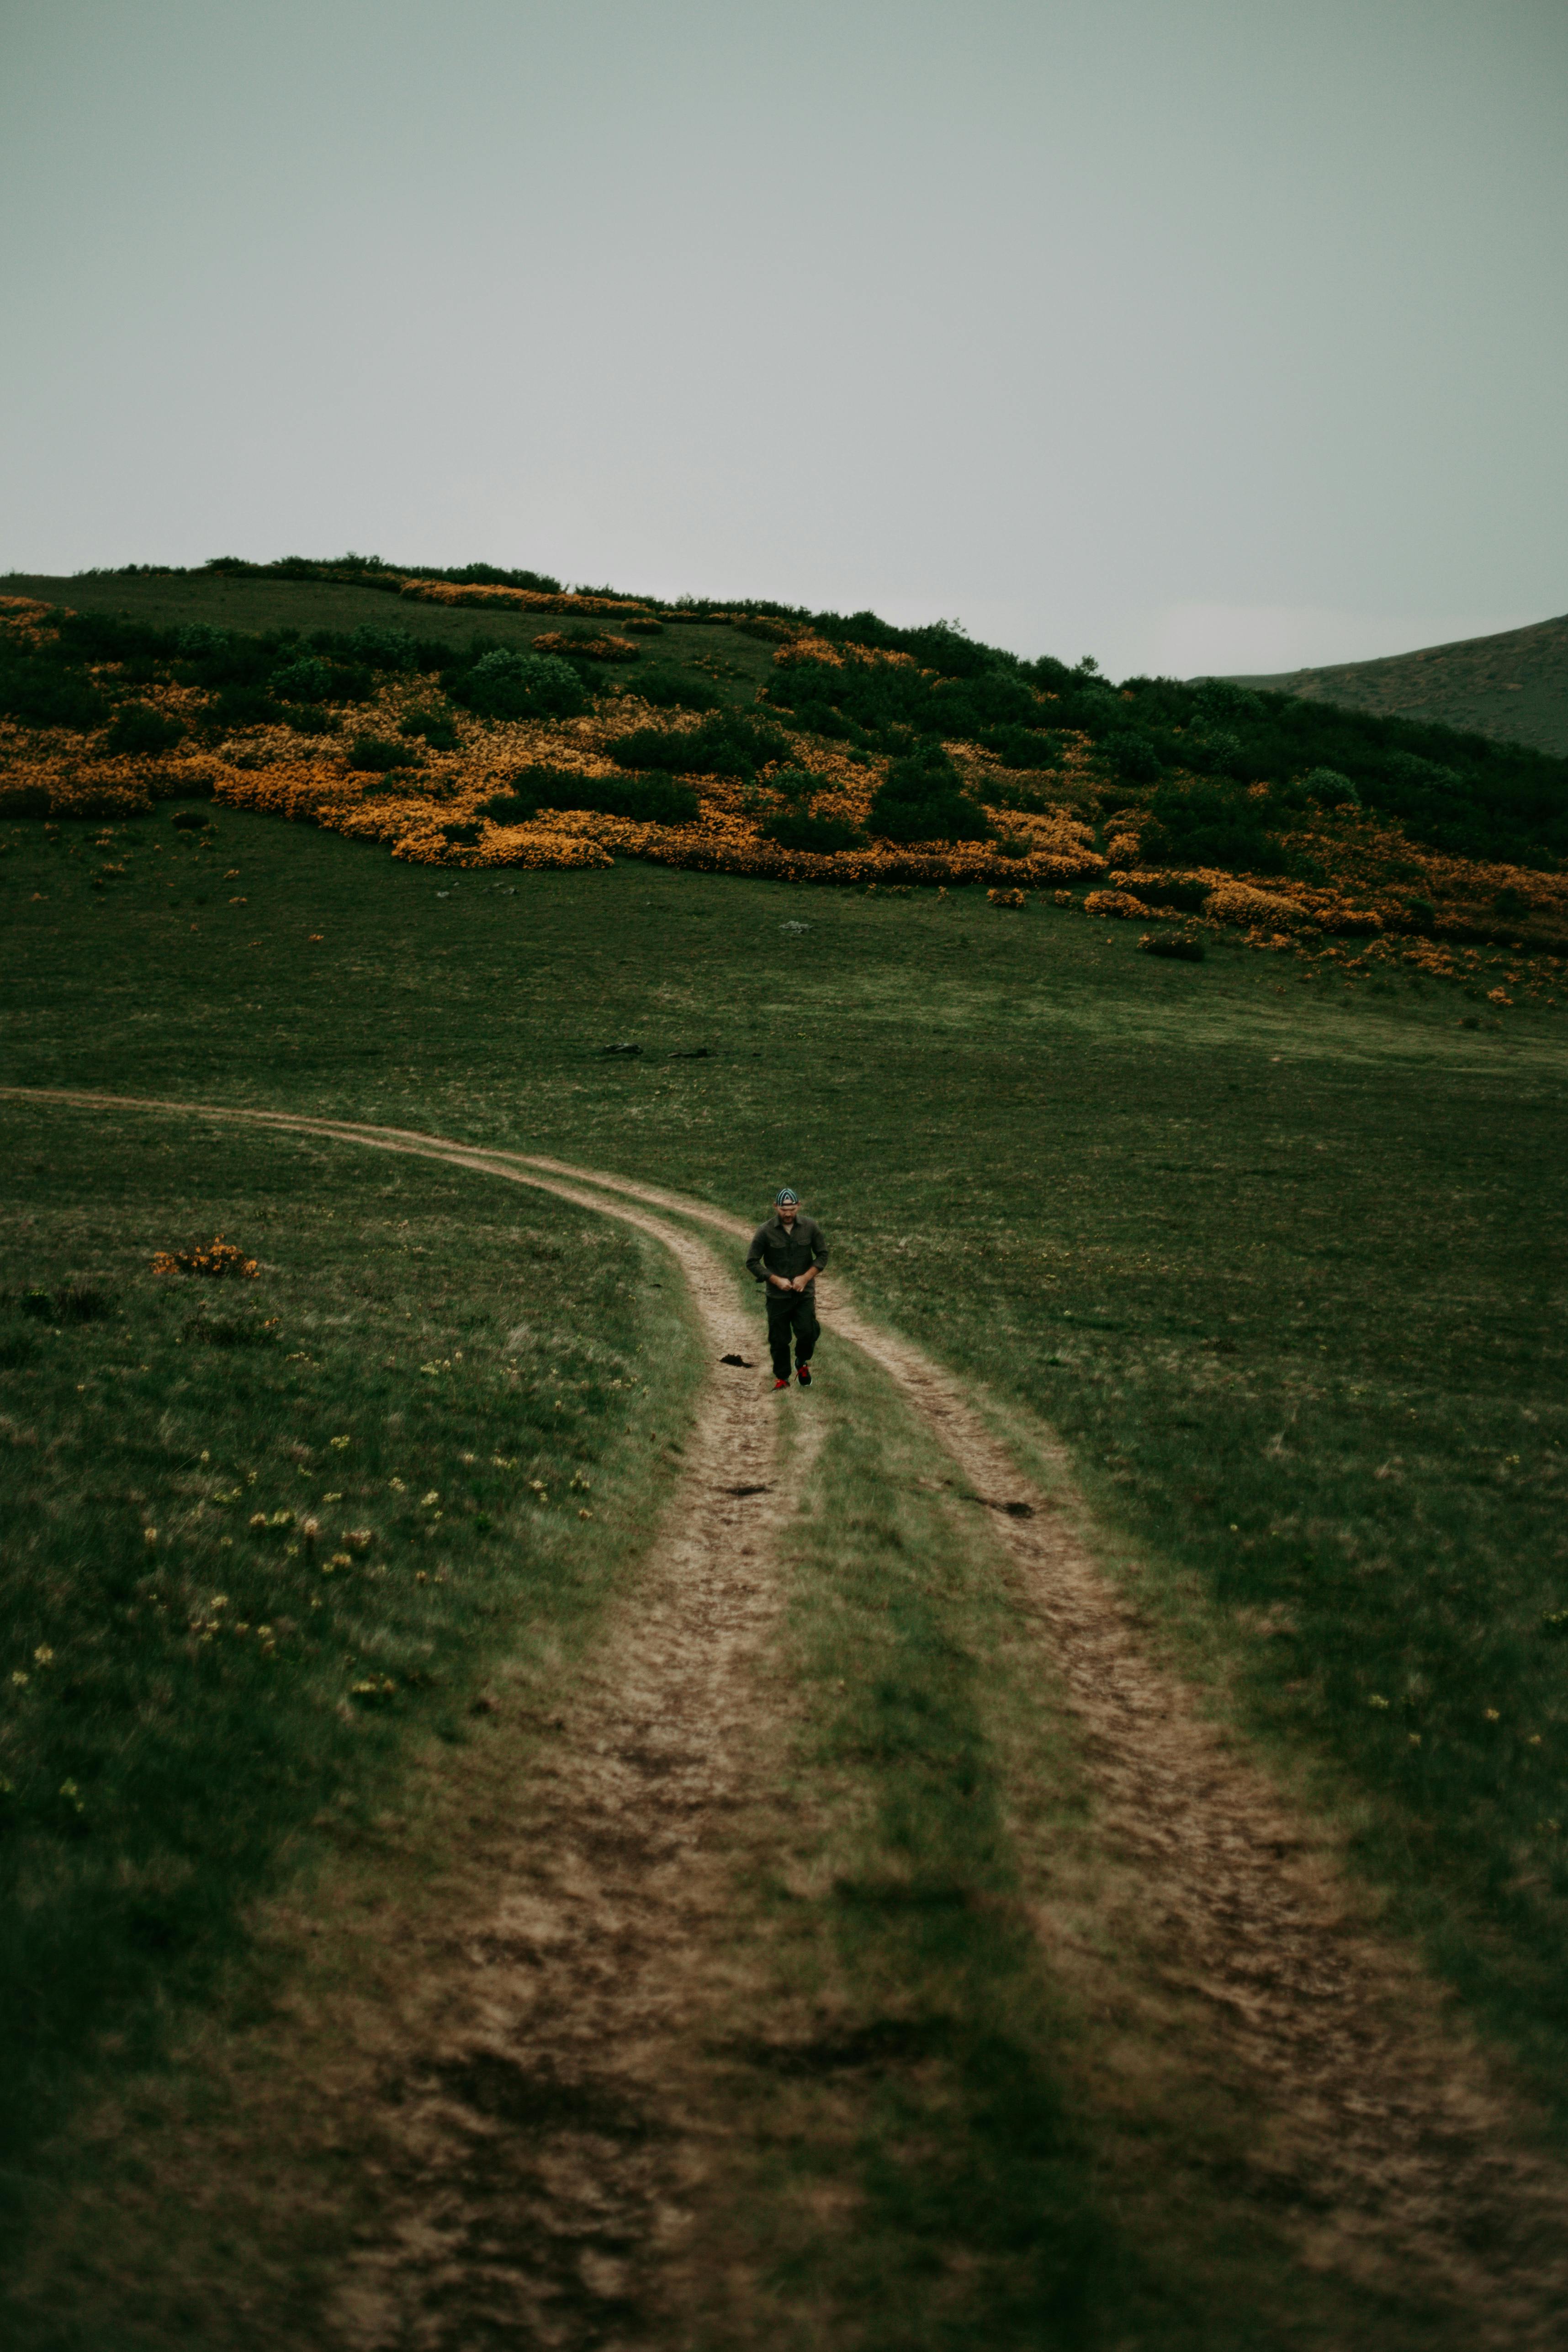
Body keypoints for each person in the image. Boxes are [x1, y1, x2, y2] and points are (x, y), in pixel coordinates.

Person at [746, 1188, 829, 1390]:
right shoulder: (765, 1231)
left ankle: (802, 1362)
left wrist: (806, 1278)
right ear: (776, 1207)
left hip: (804, 1294)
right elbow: (752, 1262)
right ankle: (782, 1378)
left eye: (792, 1209)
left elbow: (823, 1256)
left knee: (807, 1332)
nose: (788, 1214)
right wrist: (775, 1280)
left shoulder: (810, 1227)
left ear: (799, 1206)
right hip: (777, 1297)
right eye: (784, 1209)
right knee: (779, 1339)